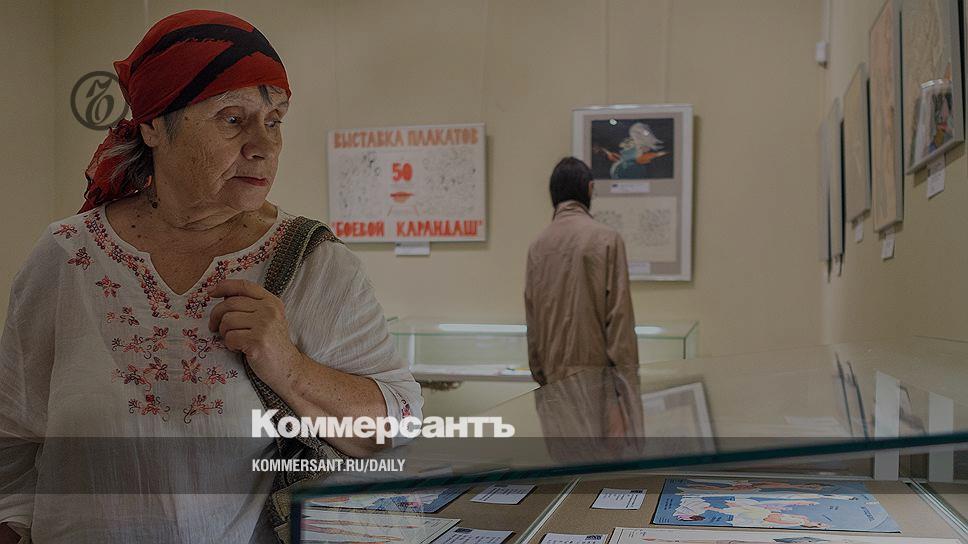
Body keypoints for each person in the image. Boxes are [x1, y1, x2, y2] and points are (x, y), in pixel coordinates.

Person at [0, 10, 422, 544]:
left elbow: (397, 425)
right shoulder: (67, 255)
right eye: (232, 119)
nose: (264, 145)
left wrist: (287, 366)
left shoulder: (313, 264)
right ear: (153, 126)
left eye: (274, 120)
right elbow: (13, 436)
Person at [524, 157, 638, 386]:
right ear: (590, 188)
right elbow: (619, 323)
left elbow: (533, 323)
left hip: (553, 383)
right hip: (597, 383)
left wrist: (542, 377)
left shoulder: (537, 246)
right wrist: (628, 389)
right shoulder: (607, 240)